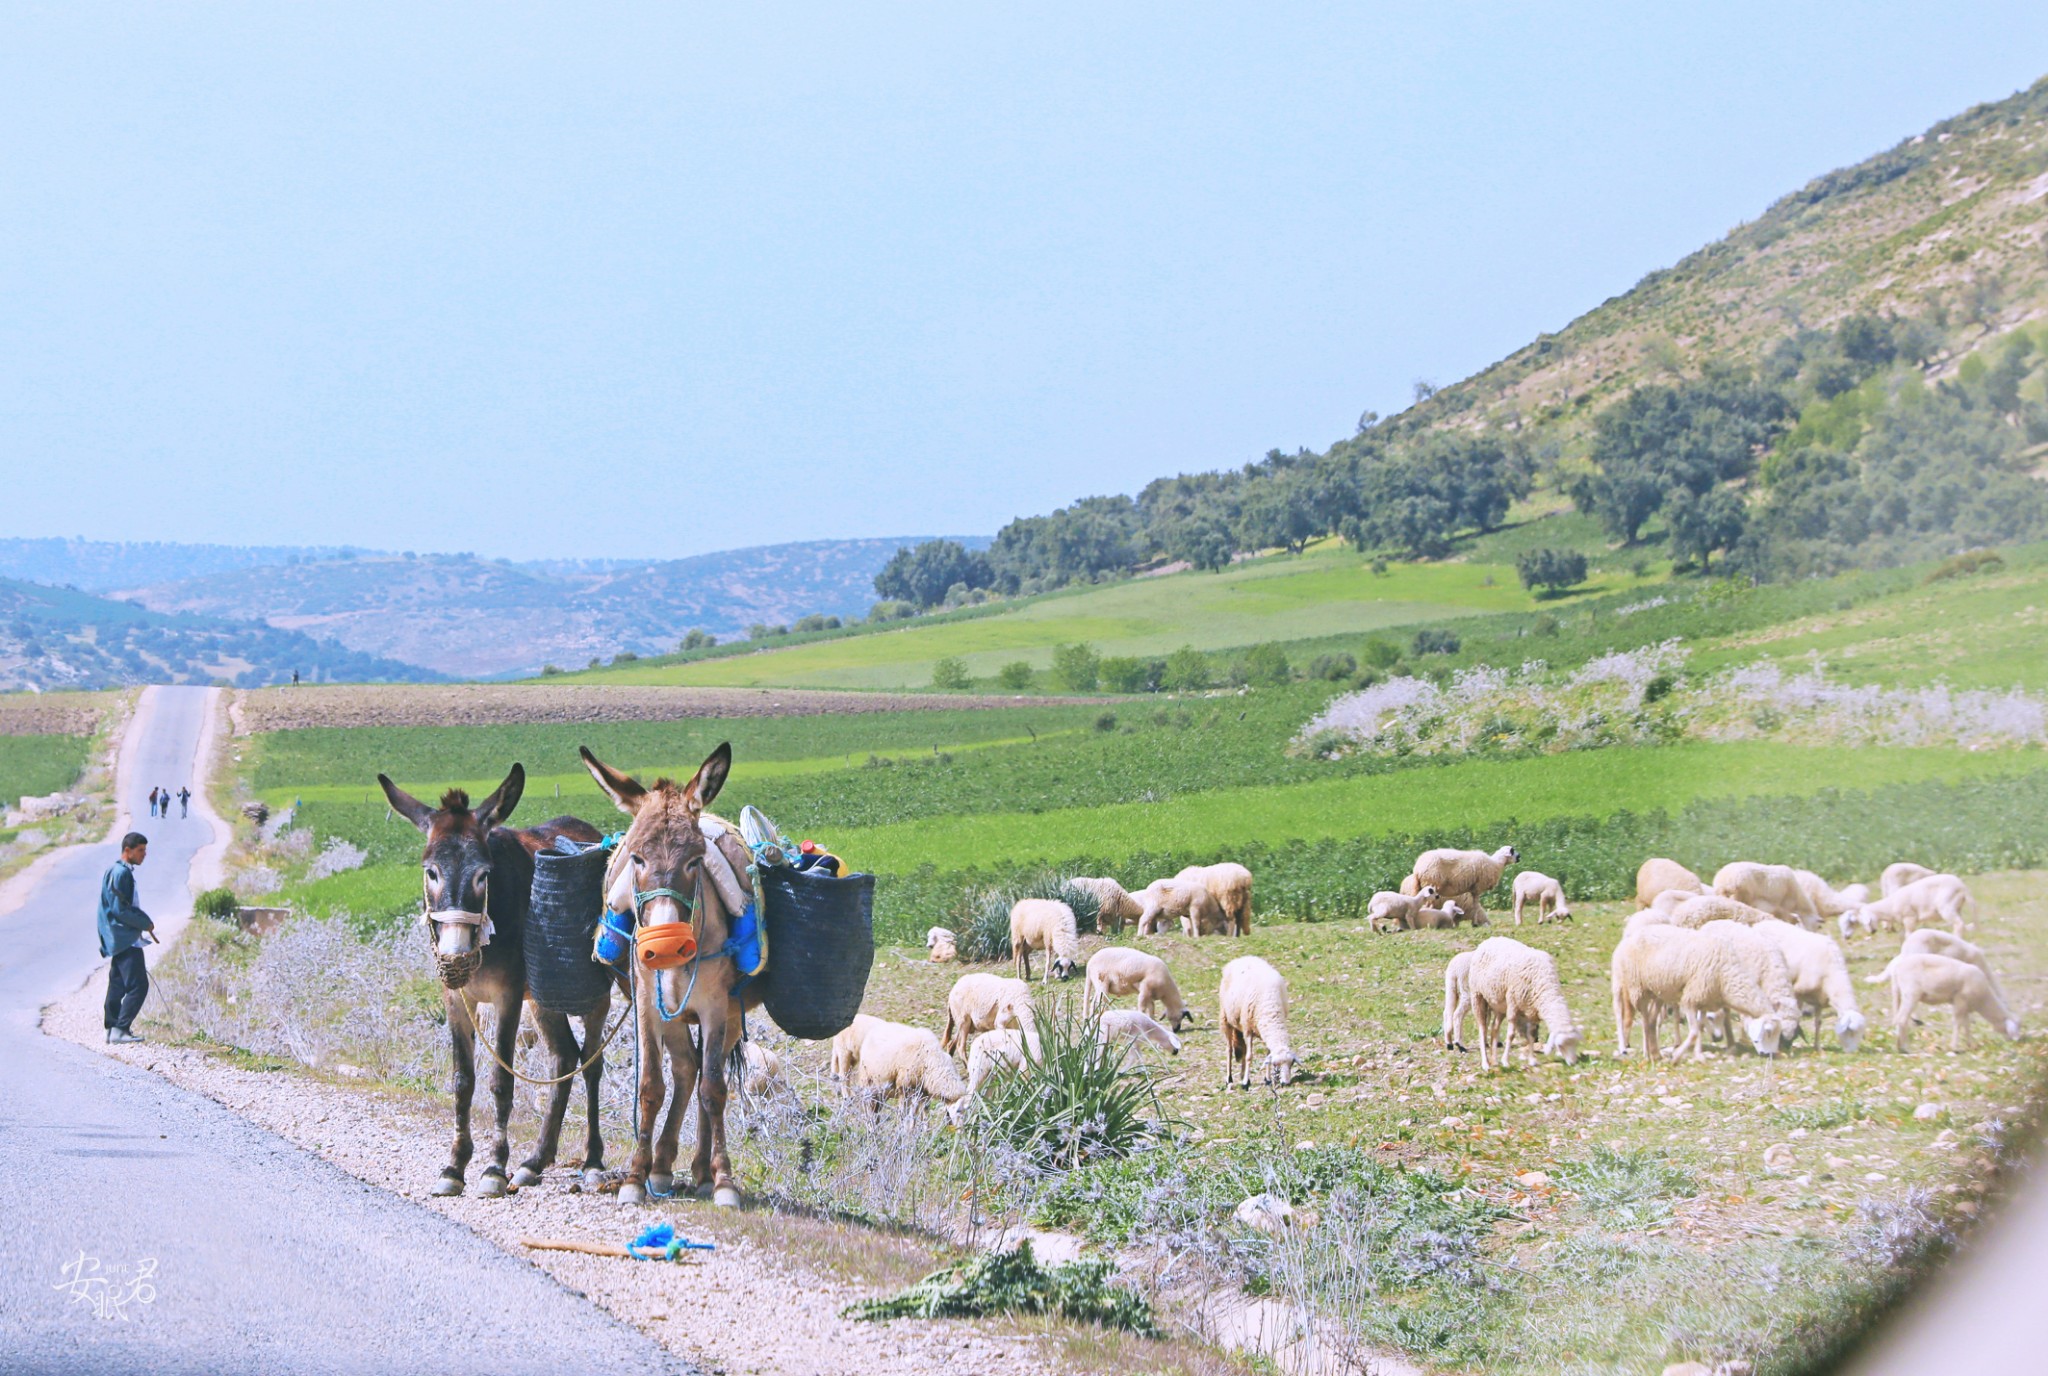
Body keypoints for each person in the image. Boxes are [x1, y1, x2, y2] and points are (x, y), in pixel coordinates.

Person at [98, 832, 156, 1043]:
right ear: (127, 851)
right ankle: (121, 1029)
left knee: (117, 984)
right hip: (124, 937)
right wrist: (144, 923)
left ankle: (112, 1028)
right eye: (140, 850)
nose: (144, 855)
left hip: (119, 936)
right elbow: (120, 910)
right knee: (138, 985)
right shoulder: (121, 873)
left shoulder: (118, 871)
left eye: (145, 850)